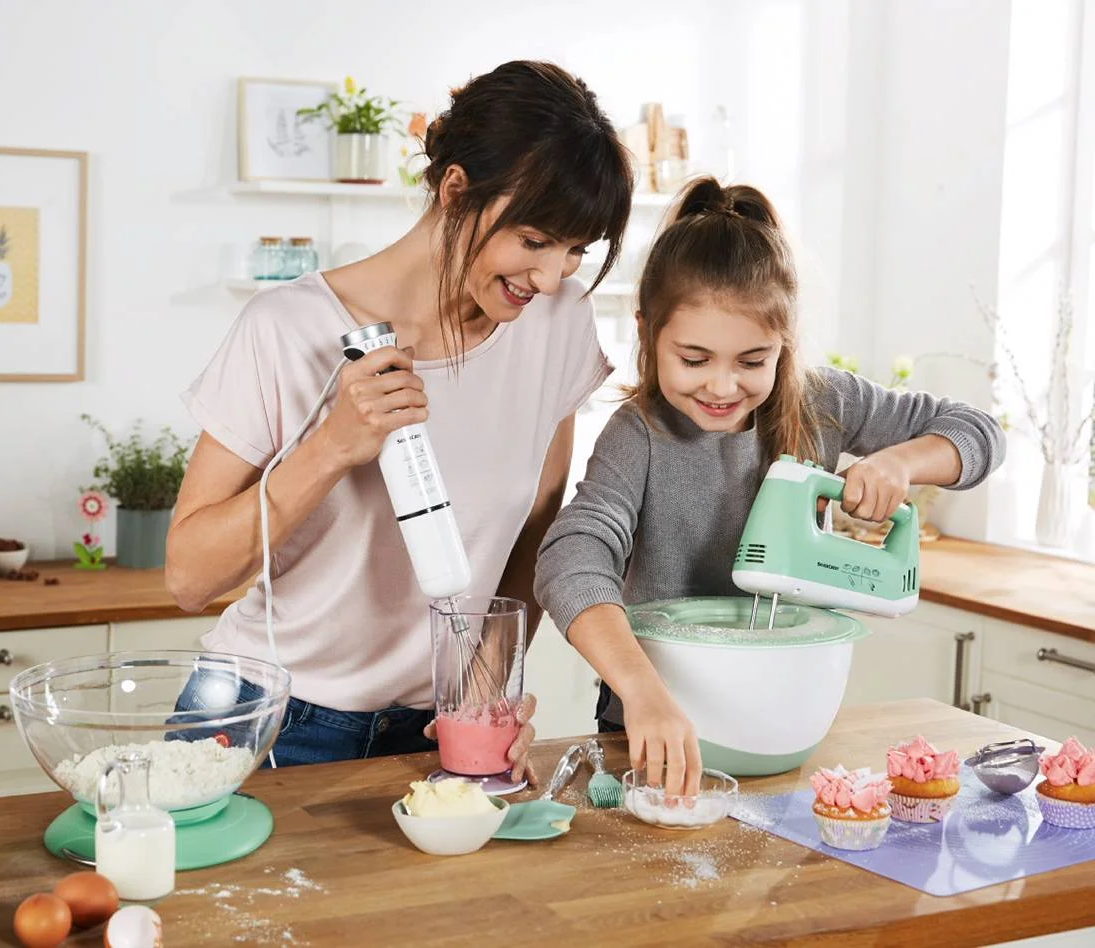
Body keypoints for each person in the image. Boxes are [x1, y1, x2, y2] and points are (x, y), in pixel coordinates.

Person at [164, 60, 633, 780]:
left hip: (438, 724)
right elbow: (190, 576)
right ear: (454, 191)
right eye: (536, 241)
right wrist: (330, 448)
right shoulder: (288, 329)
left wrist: (491, 679)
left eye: (576, 251)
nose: (551, 277)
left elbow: (538, 518)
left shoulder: (556, 324)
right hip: (267, 718)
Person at [533, 176, 1006, 799]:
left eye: (752, 361)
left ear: (785, 339)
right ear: (648, 332)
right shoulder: (639, 435)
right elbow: (572, 556)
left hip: (790, 720)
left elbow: (978, 432)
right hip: (654, 726)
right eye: (695, 359)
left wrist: (900, 464)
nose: (723, 387)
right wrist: (642, 690)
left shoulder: (825, 403)